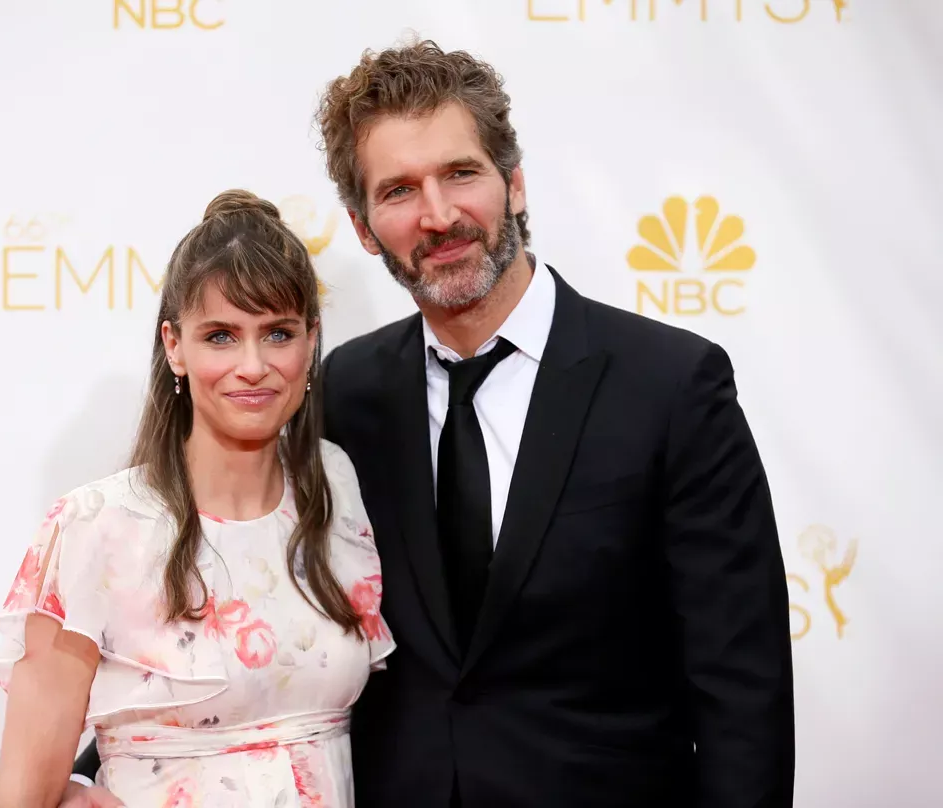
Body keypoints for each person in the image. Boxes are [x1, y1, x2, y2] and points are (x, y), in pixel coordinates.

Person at [66, 38, 796, 807]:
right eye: (399, 191)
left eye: (460, 174)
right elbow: (247, 603)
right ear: (362, 225)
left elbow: (740, 687)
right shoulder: (343, 392)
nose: (438, 216)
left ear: (514, 184)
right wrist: (99, 768)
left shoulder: (671, 386)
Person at [0, 189, 394, 808]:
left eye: (277, 333)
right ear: (175, 345)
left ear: (311, 342)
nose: (253, 365)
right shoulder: (96, 526)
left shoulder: (334, 485)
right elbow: (22, 798)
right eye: (222, 336)